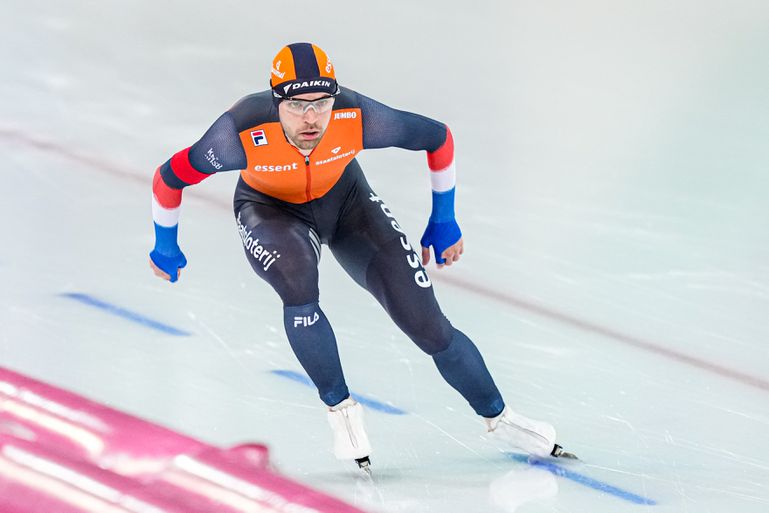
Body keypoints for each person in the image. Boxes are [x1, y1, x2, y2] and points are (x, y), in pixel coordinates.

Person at [149, 42, 573, 470]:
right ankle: (341, 411)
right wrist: (164, 244)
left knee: (427, 324)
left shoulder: (358, 117)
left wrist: (444, 219)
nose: (312, 118)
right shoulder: (236, 134)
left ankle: (501, 417)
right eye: (297, 106)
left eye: (322, 103)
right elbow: (169, 178)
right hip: (271, 211)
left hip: (348, 203)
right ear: (277, 102)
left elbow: (438, 138)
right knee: (298, 283)